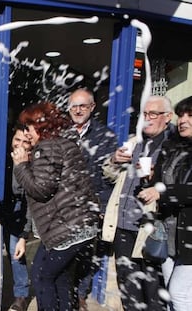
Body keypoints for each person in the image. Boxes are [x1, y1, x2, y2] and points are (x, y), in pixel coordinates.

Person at [11, 101, 98, 311]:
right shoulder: (64, 143)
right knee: (60, 277)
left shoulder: (47, 146)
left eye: (29, 127)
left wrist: (21, 165)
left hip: (66, 228)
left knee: (41, 276)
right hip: (78, 227)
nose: (27, 133)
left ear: (40, 126)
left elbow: (41, 189)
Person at [102, 95, 175, 310]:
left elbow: (177, 187)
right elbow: (110, 176)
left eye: (153, 114)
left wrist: (157, 179)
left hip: (150, 230)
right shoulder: (135, 142)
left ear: (167, 117)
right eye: (145, 114)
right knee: (129, 290)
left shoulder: (173, 147)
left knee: (153, 293)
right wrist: (114, 161)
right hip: (123, 227)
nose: (147, 119)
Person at [138, 96, 192, 311]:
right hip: (171, 234)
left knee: (179, 292)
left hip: (189, 236)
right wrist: (151, 178)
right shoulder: (173, 147)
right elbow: (161, 182)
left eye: (190, 115)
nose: (183, 120)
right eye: (181, 115)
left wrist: (162, 192)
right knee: (171, 291)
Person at [67, 88, 117, 311]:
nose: (78, 110)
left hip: (90, 206)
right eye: (74, 106)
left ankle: (79, 296)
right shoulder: (61, 133)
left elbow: (109, 176)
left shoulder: (105, 137)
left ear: (92, 107)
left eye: (83, 106)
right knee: (63, 253)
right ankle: (64, 292)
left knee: (86, 254)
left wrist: (103, 206)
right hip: (63, 205)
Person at [3, 124, 32, 311]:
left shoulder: (33, 166)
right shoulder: (0, 155)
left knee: (16, 252)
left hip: (20, 210)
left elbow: (30, 202)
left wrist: (24, 233)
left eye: (25, 141)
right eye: (17, 139)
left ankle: (21, 296)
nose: (20, 144)